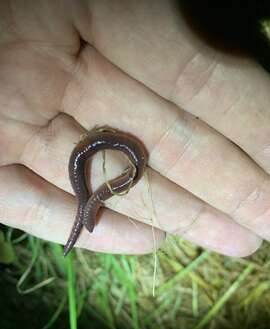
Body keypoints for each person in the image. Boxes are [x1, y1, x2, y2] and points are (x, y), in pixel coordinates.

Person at [1, 0, 269, 257]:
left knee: (92, 173)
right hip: (111, 148)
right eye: (90, 214)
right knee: (92, 174)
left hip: (111, 147)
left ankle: (91, 202)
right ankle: (91, 201)